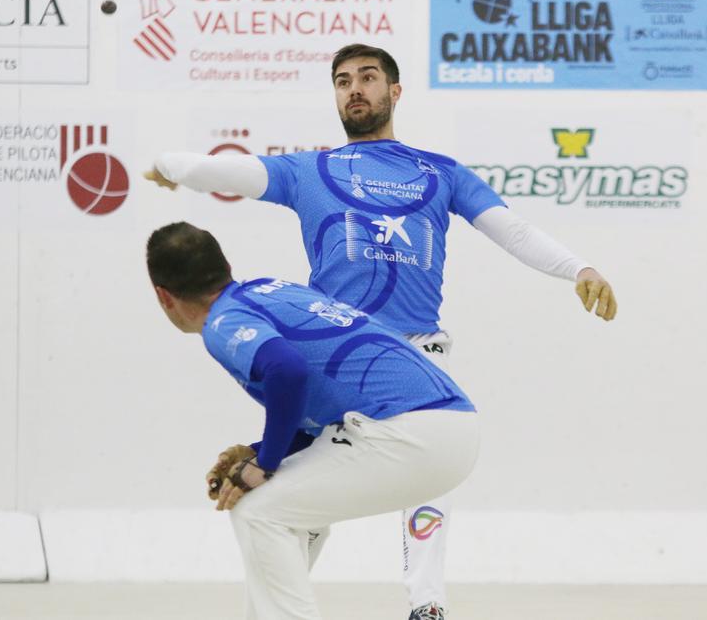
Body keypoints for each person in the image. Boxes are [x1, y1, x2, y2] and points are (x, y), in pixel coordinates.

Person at [146, 43, 616, 620]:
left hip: (417, 356)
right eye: (343, 81)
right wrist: (171, 166)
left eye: (368, 78)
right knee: (287, 511)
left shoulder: (440, 173)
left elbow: (512, 230)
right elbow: (235, 171)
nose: (354, 89)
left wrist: (578, 267)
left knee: (428, 484)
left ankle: (428, 606)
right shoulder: (309, 170)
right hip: (339, 368)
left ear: (395, 91)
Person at [146, 221, 480, 620]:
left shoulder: (223, 321)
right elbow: (318, 407)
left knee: (259, 512)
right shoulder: (271, 290)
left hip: (408, 434)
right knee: (281, 507)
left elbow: (288, 372)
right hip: (452, 426)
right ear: (225, 265)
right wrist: (258, 454)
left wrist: (266, 463)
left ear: (164, 296)